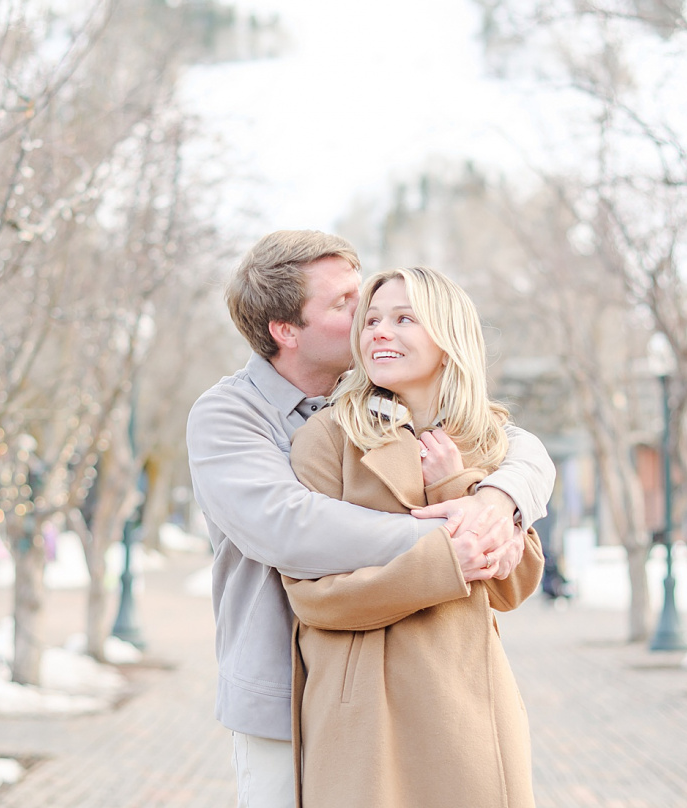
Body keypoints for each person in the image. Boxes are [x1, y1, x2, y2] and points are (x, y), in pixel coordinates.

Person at [187, 231, 555, 808]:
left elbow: (518, 447)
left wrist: (497, 501)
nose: (370, 320)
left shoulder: (385, 399)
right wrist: (453, 540)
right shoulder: (232, 415)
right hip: (287, 693)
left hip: (428, 691)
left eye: (376, 304)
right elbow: (291, 526)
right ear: (286, 331)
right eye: (346, 305)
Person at [283, 266, 542, 808]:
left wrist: (458, 485)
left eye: (405, 319)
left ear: (447, 339)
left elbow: (513, 587)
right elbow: (311, 596)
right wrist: (442, 565)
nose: (379, 331)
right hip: (365, 710)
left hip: (468, 703)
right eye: (371, 319)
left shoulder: (489, 440)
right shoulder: (327, 438)